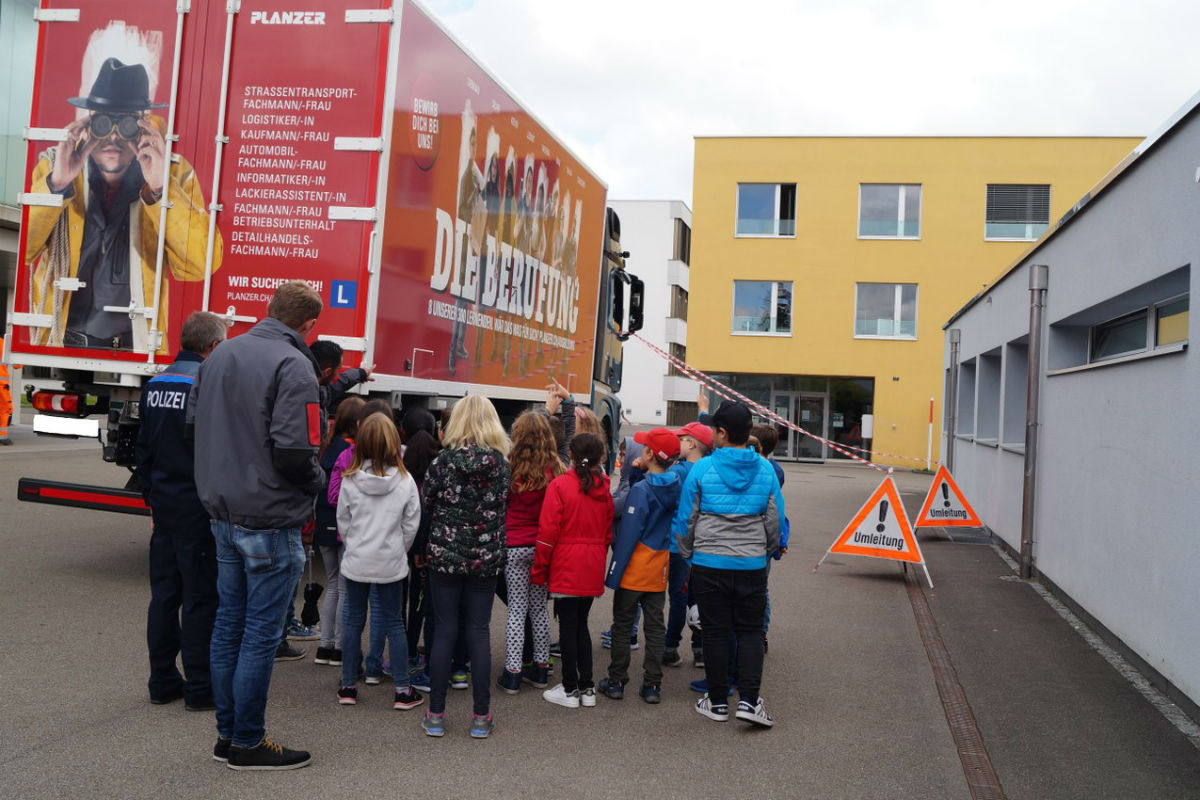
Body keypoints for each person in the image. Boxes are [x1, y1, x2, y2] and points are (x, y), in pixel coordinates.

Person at [191, 280, 323, 770]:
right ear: (309, 324)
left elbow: (192, 429)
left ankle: (228, 736)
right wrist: (318, 481)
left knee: (229, 626)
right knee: (261, 635)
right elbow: (295, 450)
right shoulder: (294, 365)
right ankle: (247, 741)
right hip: (268, 515)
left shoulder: (218, 356)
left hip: (223, 512)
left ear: (270, 309)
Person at [25, 58, 219, 352]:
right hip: (61, 340)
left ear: (144, 125)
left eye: (127, 124)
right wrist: (58, 184)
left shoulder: (174, 174)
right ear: (87, 124)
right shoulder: (55, 167)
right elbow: (25, 250)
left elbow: (198, 265)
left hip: (135, 344)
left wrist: (160, 189)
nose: (113, 136)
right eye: (103, 123)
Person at [136, 311, 226, 710]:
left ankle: (161, 681)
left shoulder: (156, 383)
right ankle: (200, 687)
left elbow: (143, 450)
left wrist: (152, 500)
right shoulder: (206, 385)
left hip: (164, 504)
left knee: (164, 597)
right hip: (197, 506)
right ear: (213, 346)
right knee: (200, 599)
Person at [676, 400, 785, 729]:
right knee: (750, 631)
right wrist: (764, 553)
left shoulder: (702, 469)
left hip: (709, 563)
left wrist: (689, 554)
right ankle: (749, 701)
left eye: (713, 428)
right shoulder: (765, 469)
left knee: (715, 632)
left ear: (722, 433)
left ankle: (717, 701)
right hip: (750, 564)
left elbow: (686, 518)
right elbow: (775, 520)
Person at [420, 394, 510, 739]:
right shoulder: (501, 464)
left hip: (444, 556)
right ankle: (481, 716)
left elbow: (427, 502)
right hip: (485, 558)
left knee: (444, 631)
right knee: (478, 631)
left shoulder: (443, 462)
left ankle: (436, 714)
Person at [334, 413, 424, 711]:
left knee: (353, 621)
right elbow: (411, 524)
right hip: (390, 561)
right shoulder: (405, 481)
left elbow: (343, 520)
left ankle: (348, 686)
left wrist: (355, 545)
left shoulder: (350, 480)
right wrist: (398, 548)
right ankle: (402, 690)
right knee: (394, 622)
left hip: (357, 559)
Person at [598, 429, 682, 705]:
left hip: (634, 567)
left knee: (622, 625)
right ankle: (652, 684)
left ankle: (617, 680)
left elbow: (629, 534)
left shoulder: (641, 490)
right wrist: (637, 475)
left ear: (649, 454)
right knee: (655, 627)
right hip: (658, 566)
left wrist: (614, 573)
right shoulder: (675, 484)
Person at [532, 433, 614, 709]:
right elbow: (607, 533)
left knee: (568, 626)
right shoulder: (604, 490)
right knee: (581, 624)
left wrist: (539, 570)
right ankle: (587, 686)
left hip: (566, 564)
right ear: (600, 458)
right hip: (591, 564)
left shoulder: (559, 486)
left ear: (572, 456)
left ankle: (570, 688)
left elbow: (547, 533)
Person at [496, 409, 563, 694]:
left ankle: (513, 672)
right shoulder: (555, 470)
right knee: (538, 609)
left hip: (513, 546)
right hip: (542, 548)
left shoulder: (509, 468)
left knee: (516, 610)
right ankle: (540, 668)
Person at [312, 396, 365, 667]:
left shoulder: (326, 448)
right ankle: (341, 649)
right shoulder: (353, 452)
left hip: (323, 521)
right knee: (345, 589)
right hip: (345, 524)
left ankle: (325, 646)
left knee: (333, 584)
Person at [664, 421, 714, 668]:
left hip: (679, 544)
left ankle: (670, 647)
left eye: (681, 439)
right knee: (699, 597)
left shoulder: (680, 471)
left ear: (691, 444)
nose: (677, 443)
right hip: (704, 544)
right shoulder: (711, 470)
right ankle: (700, 648)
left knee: (678, 597)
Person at [750, 423, 789, 654]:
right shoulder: (776, 469)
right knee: (761, 588)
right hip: (769, 537)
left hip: (761, 537)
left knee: (759, 589)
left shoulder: (765, 470)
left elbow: (774, 510)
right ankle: (760, 633)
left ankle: (758, 632)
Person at [0, 337, 14, 444]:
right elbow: (17, 365)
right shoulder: (4, 343)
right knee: (5, 410)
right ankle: (2, 437)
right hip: (1, 385)